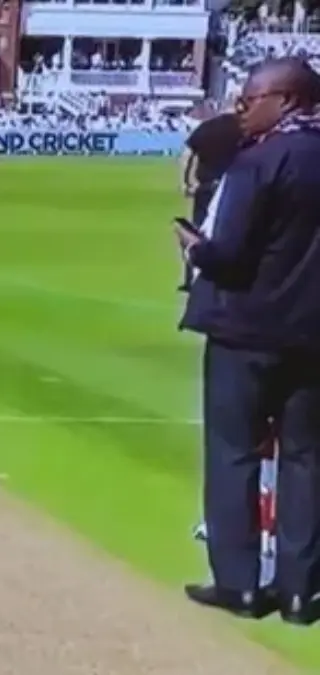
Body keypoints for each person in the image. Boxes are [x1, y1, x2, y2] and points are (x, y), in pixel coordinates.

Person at [176, 57, 320, 625]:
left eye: (249, 100)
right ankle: (298, 592)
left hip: (246, 329)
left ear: (286, 100)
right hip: (311, 333)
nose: (240, 111)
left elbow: (229, 253)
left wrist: (193, 249)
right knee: (306, 458)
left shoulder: (258, 161)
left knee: (234, 453)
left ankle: (238, 584)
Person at [178, 106, 242, 291]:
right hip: (235, 186)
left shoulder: (205, 128)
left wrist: (185, 182)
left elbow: (187, 155)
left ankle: (192, 278)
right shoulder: (243, 128)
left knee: (198, 232)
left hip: (206, 188)